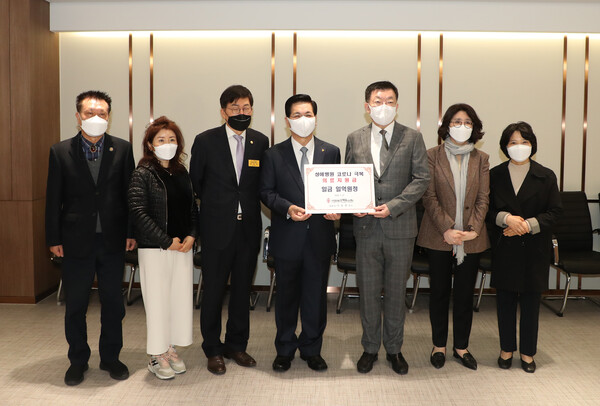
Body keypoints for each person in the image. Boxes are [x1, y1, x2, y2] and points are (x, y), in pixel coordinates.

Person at [45, 90, 135, 386]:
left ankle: (110, 357)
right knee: (76, 305)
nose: (96, 117)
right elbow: (53, 199)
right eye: (89, 113)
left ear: (109, 117)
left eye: (102, 113)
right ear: (78, 116)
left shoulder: (122, 149)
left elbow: (130, 196)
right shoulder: (60, 151)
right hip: (74, 241)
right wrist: (53, 238)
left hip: (113, 240)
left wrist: (131, 232)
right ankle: (78, 360)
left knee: (113, 304)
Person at [345, 81, 429, 375]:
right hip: (366, 228)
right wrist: (353, 204)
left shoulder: (413, 137)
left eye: (390, 101)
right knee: (367, 293)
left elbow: (421, 178)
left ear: (397, 105)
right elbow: (348, 179)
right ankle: (369, 348)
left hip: (399, 228)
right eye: (378, 101)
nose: (384, 106)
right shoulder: (354, 138)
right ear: (367, 107)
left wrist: (393, 206)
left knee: (395, 293)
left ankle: (394, 349)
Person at [190, 85, 269, 375]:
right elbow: (196, 183)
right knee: (213, 291)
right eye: (235, 108)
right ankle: (212, 348)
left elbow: (262, 183)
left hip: (248, 228)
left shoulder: (260, 141)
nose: (241, 112)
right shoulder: (205, 141)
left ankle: (236, 345)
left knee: (241, 290)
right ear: (223, 112)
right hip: (216, 229)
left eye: (246, 107)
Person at [260, 94, 341, 372]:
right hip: (287, 237)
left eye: (308, 114)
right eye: (297, 115)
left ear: (315, 119)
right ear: (287, 121)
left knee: (315, 298)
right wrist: (287, 208)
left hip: (319, 237)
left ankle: (311, 349)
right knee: (286, 298)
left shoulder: (331, 152)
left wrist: (337, 210)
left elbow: (337, 189)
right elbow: (266, 192)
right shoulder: (273, 154)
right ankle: (284, 349)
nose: (303, 120)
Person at [416, 103, 490, 370]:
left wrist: (473, 230)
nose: (462, 126)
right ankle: (439, 345)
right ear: (447, 125)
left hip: (471, 238)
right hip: (439, 236)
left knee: (464, 295)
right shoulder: (431, 155)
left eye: (467, 122)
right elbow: (428, 196)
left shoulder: (482, 159)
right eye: (457, 121)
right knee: (439, 293)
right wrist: (447, 228)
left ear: (474, 127)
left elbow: (483, 198)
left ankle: (461, 347)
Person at [488, 121, 562, 373]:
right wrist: (506, 219)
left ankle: (528, 352)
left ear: (533, 145)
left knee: (531, 303)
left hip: (534, 248)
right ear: (504, 147)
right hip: (505, 245)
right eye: (513, 142)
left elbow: (555, 212)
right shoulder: (494, 175)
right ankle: (506, 349)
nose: (519, 146)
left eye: (524, 142)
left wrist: (528, 225)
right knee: (505, 301)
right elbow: (486, 210)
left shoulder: (546, 175)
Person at [128, 116, 197, 380]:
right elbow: (138, 212)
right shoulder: (142, 173)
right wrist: (166, 241)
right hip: (156, 249)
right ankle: (156, 355)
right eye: (161, 139)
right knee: (157, 303)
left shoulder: (181, 173)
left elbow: (192, 208)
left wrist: (192, 235)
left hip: (182, 249)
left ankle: (170, 348)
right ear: (150, 144)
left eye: (172, 139)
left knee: (178, 301)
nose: (167, 143)